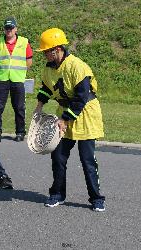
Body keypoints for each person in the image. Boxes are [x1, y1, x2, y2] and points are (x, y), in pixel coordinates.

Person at [33, 28, 106, 212]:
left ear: (57, 49)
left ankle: (96, 198)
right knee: (58, 156)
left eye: (46, 52)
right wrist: (39, 107)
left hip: (85, 114)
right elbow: (46, 88)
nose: (44, 56)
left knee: (87, 159)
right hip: (64, 113)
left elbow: (81, 98)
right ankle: (57, 194)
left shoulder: (77, 67)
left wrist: (65, 120)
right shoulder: (49, 68)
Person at [0, 16, 33, 142]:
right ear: (4, 29)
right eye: (6, 28)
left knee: (19, 107)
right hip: (1, 79)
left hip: (18, 79)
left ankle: (20, 132)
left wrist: (18, 71)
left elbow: (29, 62)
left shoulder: (24, 42)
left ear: (16, 29)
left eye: (11, 27)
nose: (8, 30)